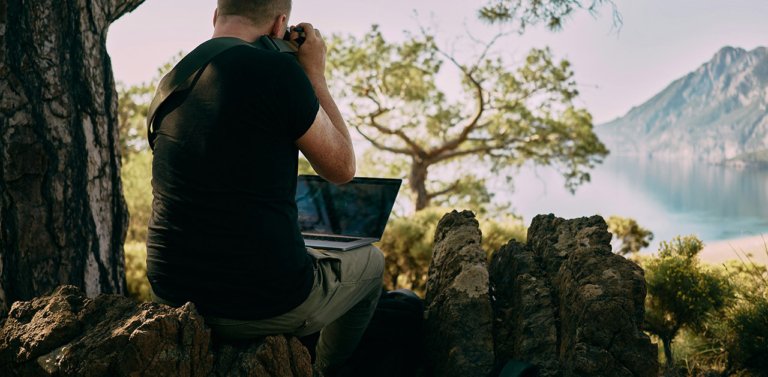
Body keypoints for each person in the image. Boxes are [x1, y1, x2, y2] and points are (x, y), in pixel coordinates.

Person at [145, 1, 384, 375]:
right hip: (263, 303)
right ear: (279, 26)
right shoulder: (279, 73)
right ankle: (323, 370)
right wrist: (315, 74)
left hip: (170, 292)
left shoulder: (170, 82)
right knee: (372, 262)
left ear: (215, 15)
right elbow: (342, 168)